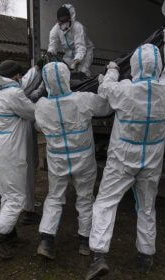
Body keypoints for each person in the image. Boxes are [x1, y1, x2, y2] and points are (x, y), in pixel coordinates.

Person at [85, 30, 165, 279]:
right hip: (151, 158)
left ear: (134, 65)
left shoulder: (124, 90)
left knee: (106, 202)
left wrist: (111, 69)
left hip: (122, 158)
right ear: (158, 65)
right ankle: (145, 256)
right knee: (147, 206)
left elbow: (104, 89)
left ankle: (98, 256)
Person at [34, 62, 111, 260]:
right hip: (83, 159)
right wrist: (104, 83)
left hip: (58, 160)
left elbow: (39, 127)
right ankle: (85, 242)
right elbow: (106, 107)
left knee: (54, 197)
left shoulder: (41, 106)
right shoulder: (83, 100)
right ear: (67, 77)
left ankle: (46, 240)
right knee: (85, 198)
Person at [0, 60, 36, 259]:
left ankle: (9, 232)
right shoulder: (14, 94)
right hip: (10, 150)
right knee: (16, 198)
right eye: (20, 75)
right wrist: (40, 99)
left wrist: (36, 70)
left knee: (7, 192)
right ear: (14, 76)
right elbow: (32, 112)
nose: (21, 78)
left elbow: (20, 88)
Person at [47, 4, 94, 77]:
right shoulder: (55, 29)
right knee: (66, 75)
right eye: (60, 21)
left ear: (70, 18)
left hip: (85, 53)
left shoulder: (78, 27)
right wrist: (50, 52)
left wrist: (75, 62)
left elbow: (81, 48)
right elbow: (53, 44)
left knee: (82, 73)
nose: (62, 23)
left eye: (64, 20)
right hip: (68, 56)